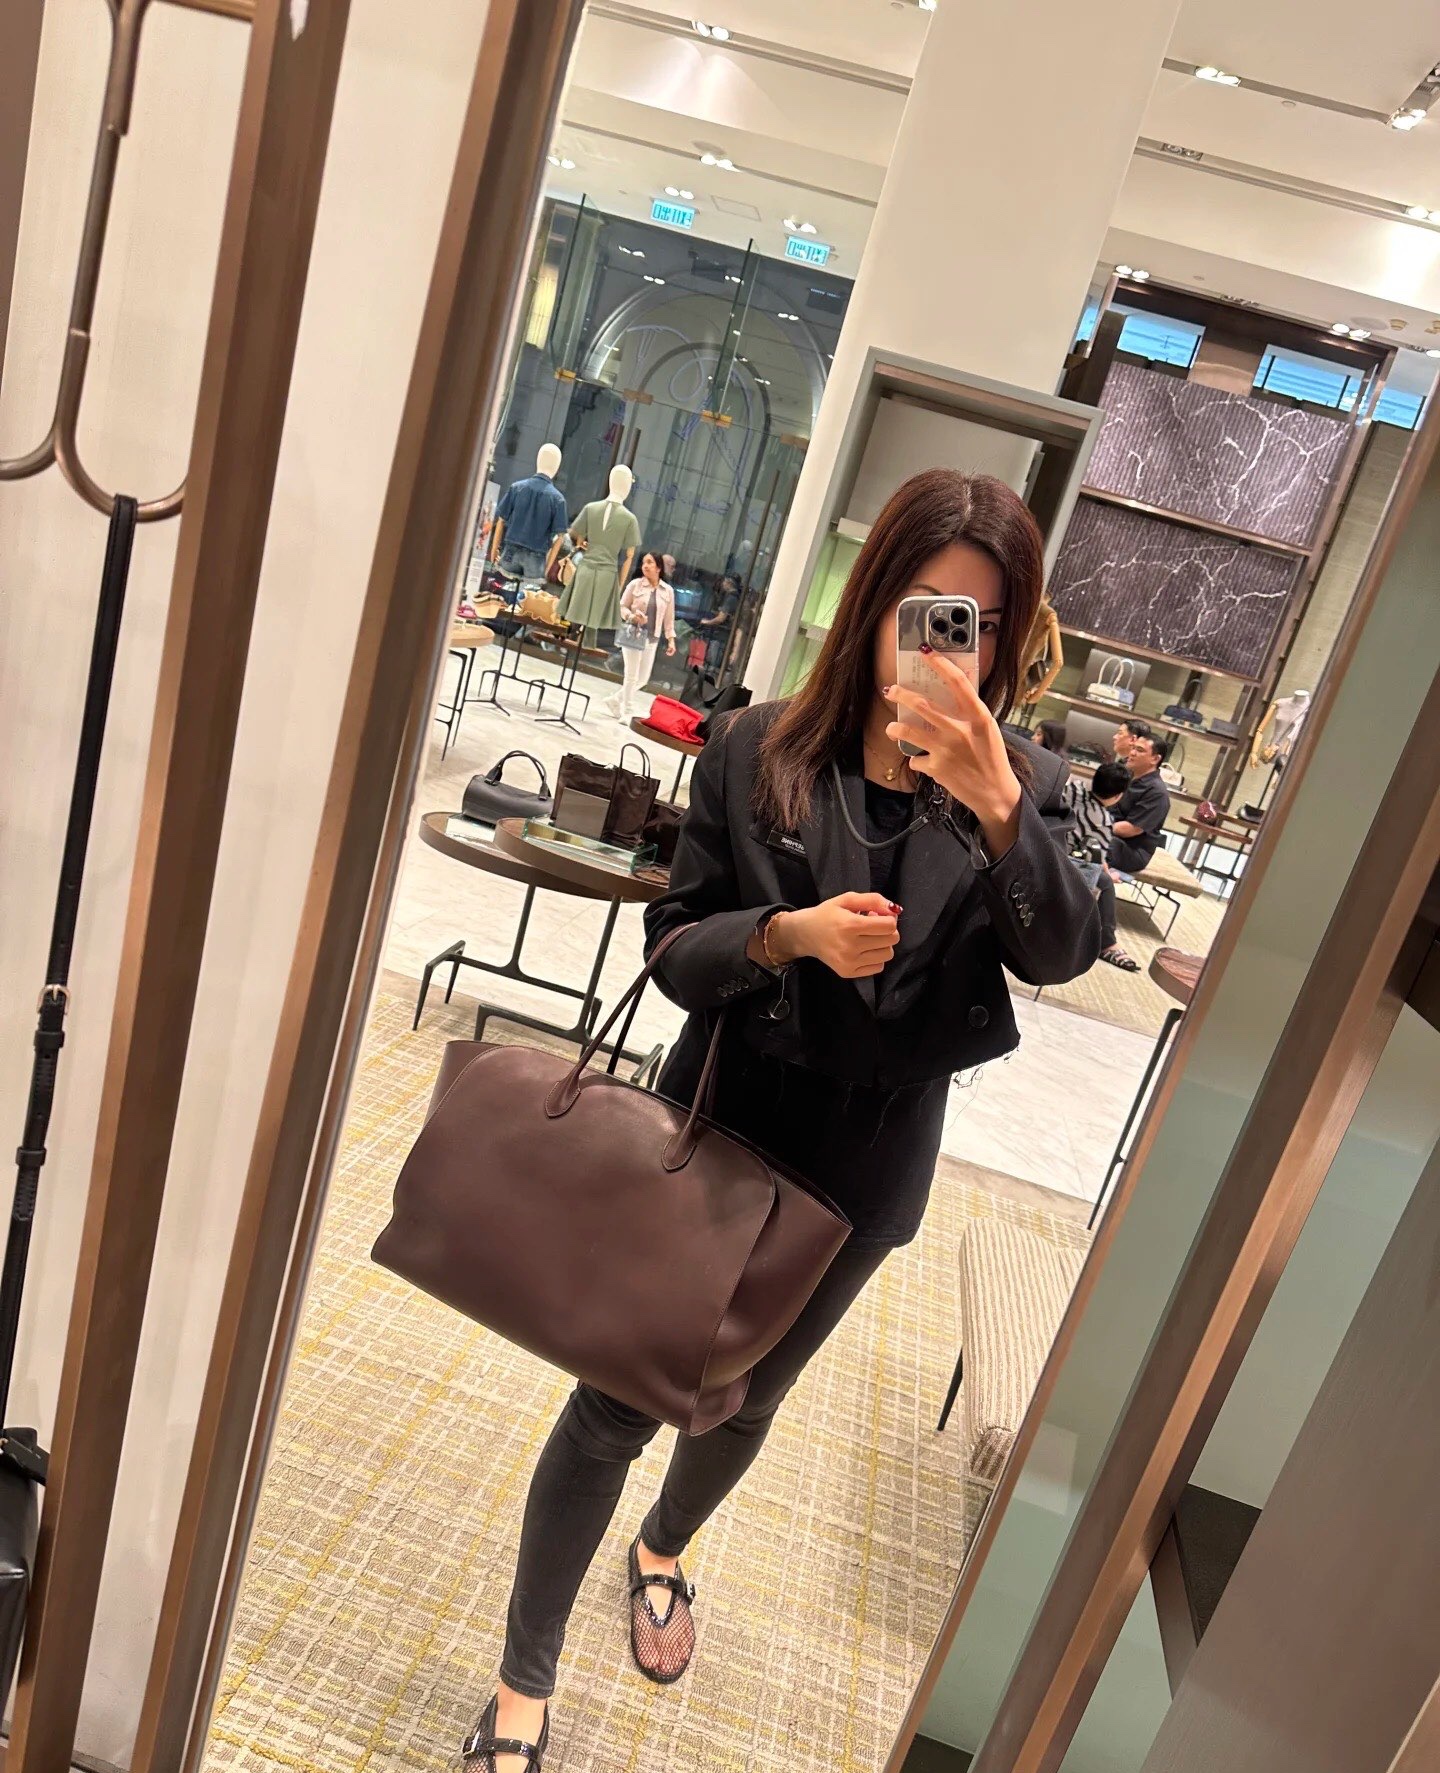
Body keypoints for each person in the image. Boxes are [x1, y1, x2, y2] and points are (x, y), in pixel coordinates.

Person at [461, 469, 1101, 1772]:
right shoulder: (758, 748)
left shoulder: (1026, 788)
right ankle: (524, 1685)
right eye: (930, 614)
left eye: (982, 625)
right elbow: (671, 947)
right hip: (721, 1130)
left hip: (869, 1167)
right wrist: (786, 937)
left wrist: (998, 807)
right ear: (874, 605)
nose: (952, 651)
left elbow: (1065, 949)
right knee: (616, 1404)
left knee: (743, 1404)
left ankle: (663, 1549)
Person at [1099, 732, 1172, 972]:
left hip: (1132, 850)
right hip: (1112, 836)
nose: (1132, 752)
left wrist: (1096, 824)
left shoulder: (1157, 792)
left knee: (1098, 843)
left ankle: (1105, 941)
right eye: (1134, 747)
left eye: (1140, 750)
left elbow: (1131, 829)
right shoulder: (1127, 776)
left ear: (1155, 759)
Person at [605, 550, 677, 722]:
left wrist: (671, 640)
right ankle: (627, 711)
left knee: (643, 679)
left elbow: (669, 618)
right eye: (644, 562)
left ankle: (614, 700)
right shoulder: (635, 585)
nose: (645, 566)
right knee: (631, 676)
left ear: (659, 567)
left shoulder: (667, 591)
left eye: (650, 562)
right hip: (633, 634)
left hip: (652, 638)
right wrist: (632, 616)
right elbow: (622, 606)